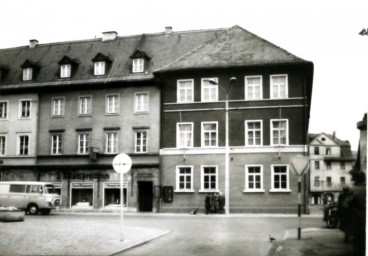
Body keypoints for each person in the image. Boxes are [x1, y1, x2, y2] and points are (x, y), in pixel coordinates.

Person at [343, 170, 366, 256]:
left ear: (355, 179)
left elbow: (346, 204)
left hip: (357, 220)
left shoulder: (354, 190)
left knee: (358, 242)